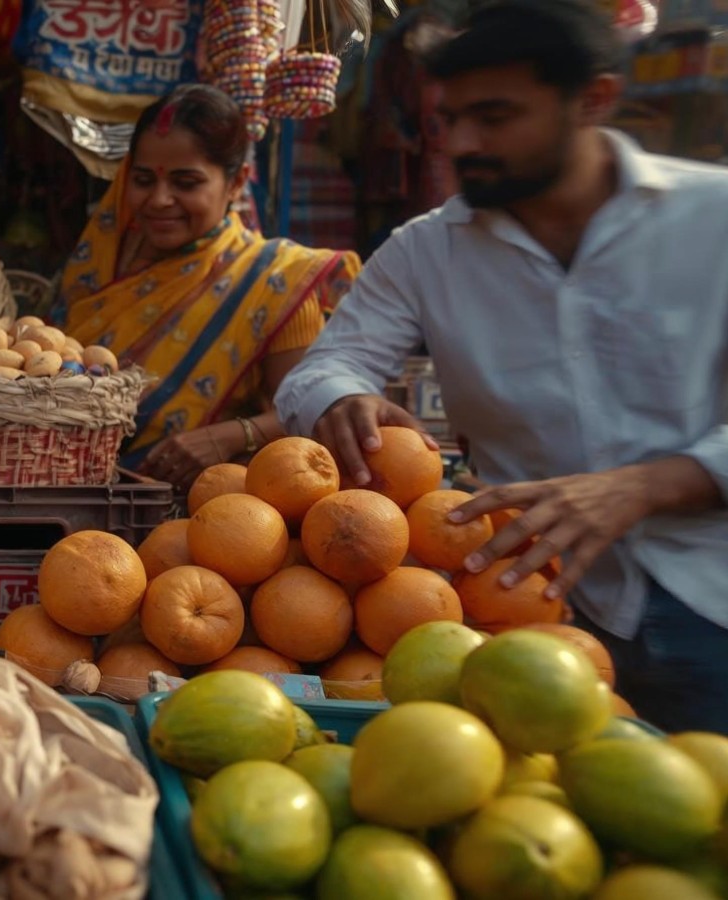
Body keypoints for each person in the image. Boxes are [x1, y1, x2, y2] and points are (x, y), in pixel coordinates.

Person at [274, 0, 728, 732]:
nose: (461, 142)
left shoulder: (712, 220)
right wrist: (340, 397)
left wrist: (645, 486)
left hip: (712, 601)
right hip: (523, 610)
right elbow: (325, 367)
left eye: (494, 117)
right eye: (448, 119)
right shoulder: (428, 250)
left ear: (594, 101)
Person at [55, 85, 361, 491]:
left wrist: (230, 436)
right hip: (62, 490)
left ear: (237, 183)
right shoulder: (105, 258)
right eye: (143, 179)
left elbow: (310, 408)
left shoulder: (273, 280)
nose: (159, 200)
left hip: (195, 519)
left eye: (186, 182)